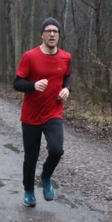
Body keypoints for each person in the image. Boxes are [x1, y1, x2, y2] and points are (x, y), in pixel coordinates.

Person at [13, 17, 71, 207]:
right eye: (48, 31)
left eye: (55, 31)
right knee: (31, 157)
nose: (52, 34)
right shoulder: (29, 56)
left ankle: (46, 177)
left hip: (53, 112)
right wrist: (33, 85)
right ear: (42, 34)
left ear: (59, 35)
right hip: (30, 116)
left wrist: (67, 89)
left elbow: (67, 77)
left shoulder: (66, 57)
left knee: (57, 150)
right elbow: (17, 83)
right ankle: (29, 191)